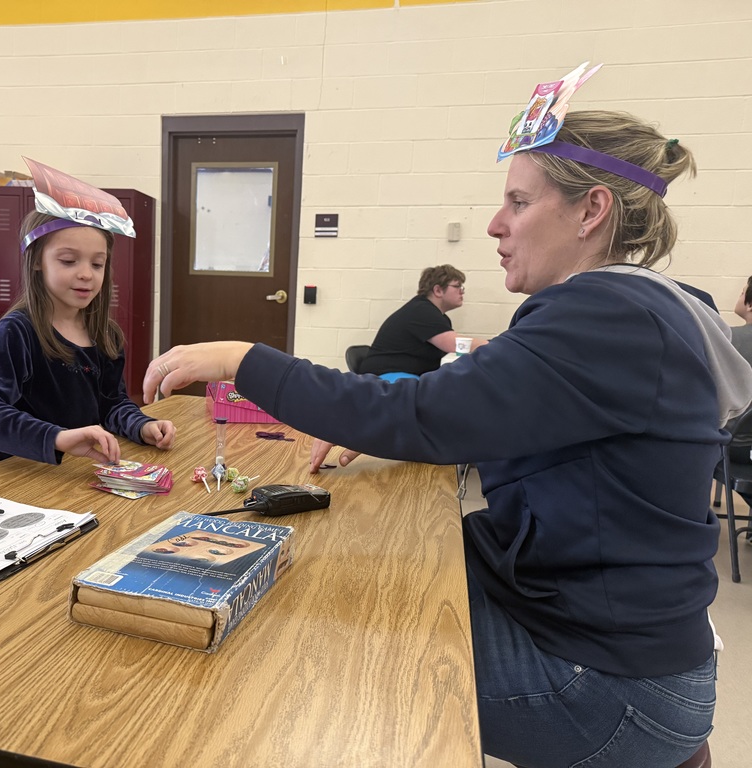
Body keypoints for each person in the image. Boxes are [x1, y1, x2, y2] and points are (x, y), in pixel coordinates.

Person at [142, 106, 752, 768]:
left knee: (312, 627)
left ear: (591, 210)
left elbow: (420, 416)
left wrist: (244, 359)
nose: (495, 224)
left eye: (519, 202)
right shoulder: (643, 306)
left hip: (610, 685)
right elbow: (499, 412)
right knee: (369, 566)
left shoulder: (606, 314)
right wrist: (407, 411)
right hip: (623, 648)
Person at [0, 161, 175, 465]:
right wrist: (56, 438)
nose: (86, 274)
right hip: (22, 475)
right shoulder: (18, 331)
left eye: (97, 264)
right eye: (69, 261)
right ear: (37, 261)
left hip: (80, 473)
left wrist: (141, 425)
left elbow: (112, 404)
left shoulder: (106, 335)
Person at [360, 264, 486, 378]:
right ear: (438, 290)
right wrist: (492, 346)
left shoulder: (436, 315)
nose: (462, 291)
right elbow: (456, 345)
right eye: (457, 286)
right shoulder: (422, 311)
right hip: (387, 379)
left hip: (403, 376)